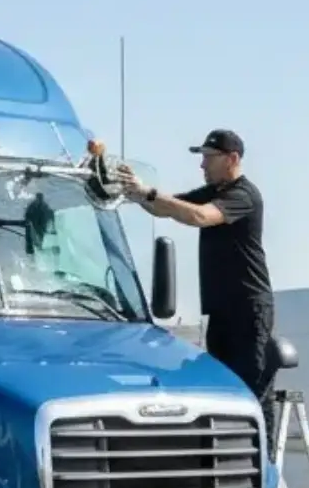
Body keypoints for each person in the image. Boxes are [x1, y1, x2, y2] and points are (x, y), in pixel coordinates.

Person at [115, 128, 280, 443]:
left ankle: (265, 471)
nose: (202, 165)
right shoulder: (214, 190)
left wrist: (148, 192)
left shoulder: (242, 194)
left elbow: (200, 217)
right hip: (220, 312)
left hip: (249, 310)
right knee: (222, 393)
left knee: (250, 396)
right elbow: (165, 207)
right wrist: (131, 189)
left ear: (232, 159)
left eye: (208, 158)